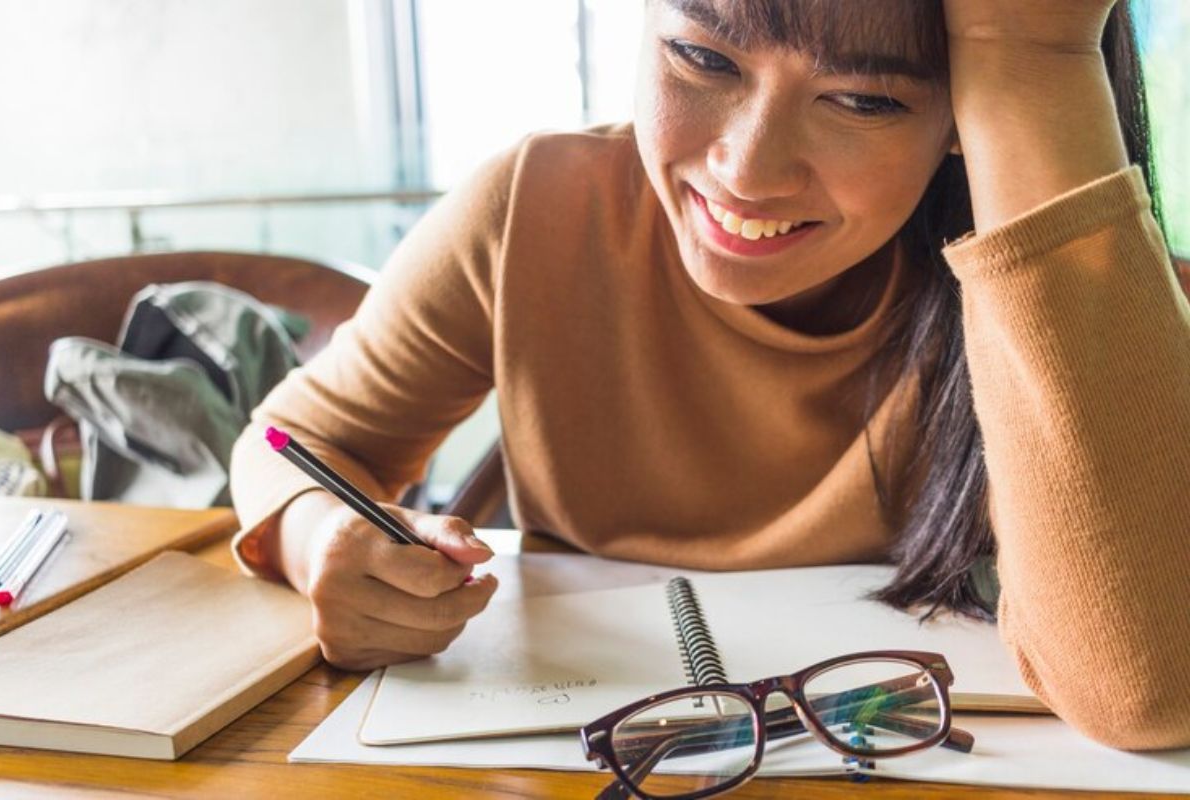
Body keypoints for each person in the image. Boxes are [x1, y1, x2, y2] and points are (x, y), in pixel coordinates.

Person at [229, 0, 1190, 750]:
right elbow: (293, 444)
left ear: (960, 116)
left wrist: (1037, 57)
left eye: (864, 100)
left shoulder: (1085, 290)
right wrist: (321, 541)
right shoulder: (534, 210)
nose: (748, 170)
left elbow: (1146, 685)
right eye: (702, 56)